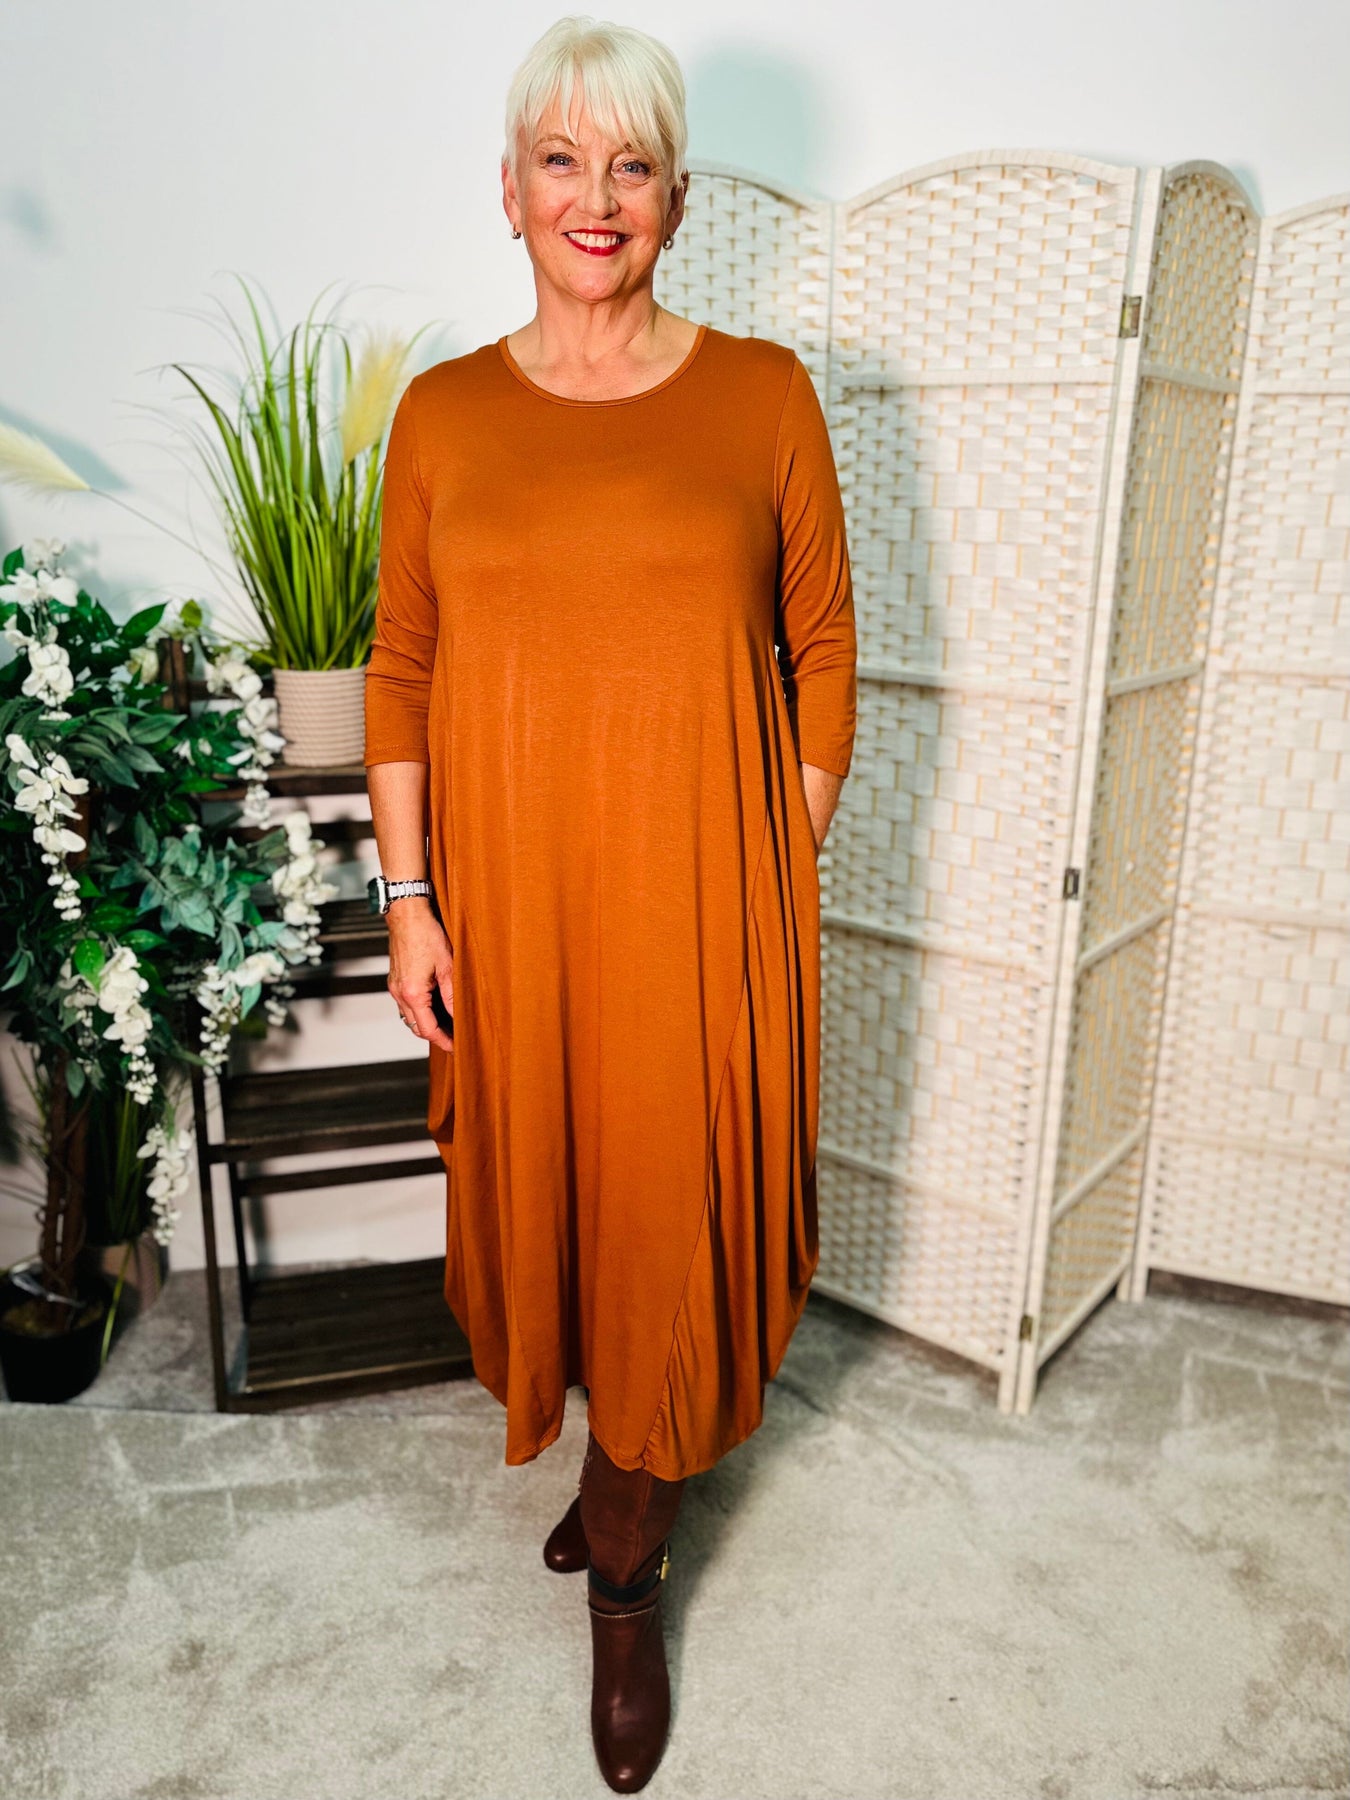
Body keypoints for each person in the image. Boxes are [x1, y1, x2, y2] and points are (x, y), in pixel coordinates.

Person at [363, 15, 856, 1792]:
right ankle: (611, 1469)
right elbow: (400, 672)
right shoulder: (442, 414)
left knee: (667, 1239)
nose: (597, 193)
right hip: (512, 920)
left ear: (677, 200)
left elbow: (823, 654)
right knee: (557, 1235)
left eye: (632, 163)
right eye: (561, 160)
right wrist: (410, 900)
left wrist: (761, 862)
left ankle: (628, 1583)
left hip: (695, 925)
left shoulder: (764, 395)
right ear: (508, 193)